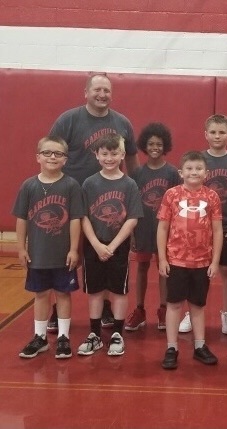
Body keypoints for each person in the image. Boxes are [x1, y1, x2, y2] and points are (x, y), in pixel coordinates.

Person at [47, 72, 140, 332]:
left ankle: (107, 306)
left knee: (106, 252)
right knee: (67, 255)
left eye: (106, 90)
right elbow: (52, 152)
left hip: (110, 202)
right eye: (97, 89)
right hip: (72, 199)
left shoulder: (122, 122)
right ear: (86, 92)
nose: (102, 95)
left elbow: (132, 159)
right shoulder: (68, 120)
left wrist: (135, 189)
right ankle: (57, 308)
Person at [13, 136, 84, 359]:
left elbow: (75, 219)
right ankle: (40, 337)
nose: (52, 157)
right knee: (41, 294)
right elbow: (22, 219)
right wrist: (21, 248)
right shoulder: (29, 186)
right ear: (38, 157)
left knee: (63, 294)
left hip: (62, 254)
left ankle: (63, 337)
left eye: (58, 153)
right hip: (37, 254)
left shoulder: (71, 185)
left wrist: (73, 249)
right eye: (47, 153)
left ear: (65, 159)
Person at [77, 134, 143, 357]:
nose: (109, 158)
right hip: (94, 245)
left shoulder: (129, 184)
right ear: (96, 155)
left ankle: (117, 334)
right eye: (104, 153)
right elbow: (83, 217)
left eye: (114, 153)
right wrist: (96, 244)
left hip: (119, 246)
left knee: (119, 290)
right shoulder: (89, 183)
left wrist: (112, 246)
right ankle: (94, 334)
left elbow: (132, 219)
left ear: (122, 154)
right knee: (95, 290)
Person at [178, 114, 227, 336]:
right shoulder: (197, 161)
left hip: (226, 225)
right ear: (205, 134)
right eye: (213, 132)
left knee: (226, 269)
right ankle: (191, 311)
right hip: (198, 226)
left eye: (222, 132)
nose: (217, 136)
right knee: (194, 270)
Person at [158, 151, 223, 370]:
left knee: (197, 305)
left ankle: (199, 345)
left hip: (202, 262)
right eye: (189, 168)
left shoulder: (212, 196)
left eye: (198, 169)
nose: (194, 172)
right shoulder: (171, 195)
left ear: (206, 173)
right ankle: (171, 347)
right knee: (174, 304)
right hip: (176, 261)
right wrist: (162, 258)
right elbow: (163, 227)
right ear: (181, 172)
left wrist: (215, 261)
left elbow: (217, 229)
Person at [124, 123, 180, 332]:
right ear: (144, 146)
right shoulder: (137, 173)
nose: (155, 147)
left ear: (165, 146)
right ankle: (139, 310)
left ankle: (163, 309)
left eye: (159, 144)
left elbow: (177, 203)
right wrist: (132, 232)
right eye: (151, 144)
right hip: (143, 227)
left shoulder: (172, 173)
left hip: (165, 229)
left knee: (164, 269)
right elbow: (132, 204)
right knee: (142, 267)